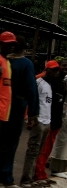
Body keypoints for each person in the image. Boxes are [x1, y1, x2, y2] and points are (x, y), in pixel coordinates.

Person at [0, 33, 39, 188]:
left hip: (4, 105)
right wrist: (33, 114)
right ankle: (6, 177)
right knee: (11, 143)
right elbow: (32, 89)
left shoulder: (5, 61)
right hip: (16, 105)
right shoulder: (26, 64)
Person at [20, 60, 60, 187]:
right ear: (46, 70)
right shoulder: (39, 82)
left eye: (56, 70)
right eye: (52, 70)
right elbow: (30, 99)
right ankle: (26, 179)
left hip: (47, 121)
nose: (55, 73)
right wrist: (30, 118)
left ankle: (33, 177)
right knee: (32, 150)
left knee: (39, 151)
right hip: (38, 121)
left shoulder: (49, 84)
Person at [34, 58, 67, 184]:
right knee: (43, 149)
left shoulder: (61, 82)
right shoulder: (48, 81)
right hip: (47, 120)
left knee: (47, 149)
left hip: (56, 121)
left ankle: (41, 173)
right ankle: (39, 173)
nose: (66, 68)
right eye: (64, 66)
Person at [0, 32, 16, 130]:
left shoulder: (7, 62)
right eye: (9, 44)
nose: (12, 47)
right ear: (1, 44)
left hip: (5, 111)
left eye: (13, 44)